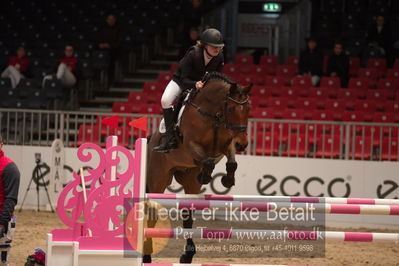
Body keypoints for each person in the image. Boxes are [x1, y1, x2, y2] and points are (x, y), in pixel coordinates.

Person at [153, 28, 225, 153]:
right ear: (205, 45)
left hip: (201, 85)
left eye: (219, 47)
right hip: (181, 82)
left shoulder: (219, 57)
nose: (217, 49)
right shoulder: (193, 54)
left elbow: (216, 77)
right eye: (214, 47)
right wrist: (194, 84)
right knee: (165, 100)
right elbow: (183, 78)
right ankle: (170, 138)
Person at [0, 135, 20, 265]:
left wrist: (2, 223)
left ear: (1, 144)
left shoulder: (9, 167)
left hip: (3, 219)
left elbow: (11, 199)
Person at [97, 14, 123, 87]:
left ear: (115, 20)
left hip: (114, 51)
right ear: (106, 20)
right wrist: (101, 45)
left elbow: (119, 42)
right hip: (103, 52)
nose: (111, 21)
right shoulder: (102, 29)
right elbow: (98, 40)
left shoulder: (119, 29)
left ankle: (111, 81)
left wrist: (109, 45)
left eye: (112, 19)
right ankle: (100, 82)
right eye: (109, 19)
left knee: (112, 62)